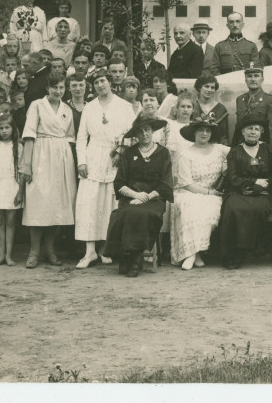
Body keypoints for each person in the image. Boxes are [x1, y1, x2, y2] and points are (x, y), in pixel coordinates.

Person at [74, 69, 136, 268]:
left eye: (103, 81)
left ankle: (105, 249)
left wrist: (120, 150)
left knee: (110, 204)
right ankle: (89, 251)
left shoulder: (125, 106)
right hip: (93, 157)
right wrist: (81, 161)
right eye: (96, 83)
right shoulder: (89, 107)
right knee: (89, 203)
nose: (100, 85)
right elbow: (82, 138)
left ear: (110, 82)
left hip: (115, 159)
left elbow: (131, 134)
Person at [103, 112, 173, 277]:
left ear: (152, 131)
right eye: (140, 131)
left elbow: (166, 183)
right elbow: (119, 182)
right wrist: (135, 195)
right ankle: (127, 256)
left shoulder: (163, 153)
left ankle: (134, 258)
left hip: (154, 199)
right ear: (136, 134)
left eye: (147, 130)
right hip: (131, 198)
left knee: (144, 213)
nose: (144, 134)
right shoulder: (129, 153)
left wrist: (146, 196)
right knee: (122, 213)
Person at [20, 71, 77, 269]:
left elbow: (70, 138)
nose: (58, 91)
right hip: (40, 155)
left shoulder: (67, 109)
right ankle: (34, 251)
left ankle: (49, 250)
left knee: (57, 205)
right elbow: (28, 135)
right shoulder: (36, 105)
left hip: (62, 157)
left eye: (62, 87)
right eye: (55, 88)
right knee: (39, 203)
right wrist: (27, 164)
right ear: (47, 88)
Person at [220, 111, 272, 269]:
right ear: (243, 131)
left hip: (263, 194)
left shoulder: (268, 150)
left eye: (257, 129)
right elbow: (232, 178)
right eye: (249, 128)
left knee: (256, 208)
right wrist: (253, 182)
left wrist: (262, 186)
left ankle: (246, 249)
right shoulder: (235, 151)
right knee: (232, 208)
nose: (253, 132)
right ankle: (232, 252)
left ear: (261, 132)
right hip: (239, 192)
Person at [171, 115, 229, 270]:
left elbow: (239, 153)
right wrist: (208, 192)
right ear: (194, 134)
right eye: (200, 131)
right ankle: (193, 254)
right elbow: (187, 184)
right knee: (191, 207)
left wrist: (227, 164)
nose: (204, 134)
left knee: (210, 209)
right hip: (189, 192)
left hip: (214, 193)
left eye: (207, 131)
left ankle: (194, 254)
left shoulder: (219, 149)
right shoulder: (186, 155)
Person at [0, 114, 24, 267]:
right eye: (1, 128)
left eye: (7, 127)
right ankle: (1, 255)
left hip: (11, 186)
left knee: (10, 222)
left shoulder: (18, 146)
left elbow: (21, 171)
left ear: (13, 129)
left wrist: (20, 192)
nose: (4, 131)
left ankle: (8, 255)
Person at [232, 62, 272, 152]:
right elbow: (238, 128)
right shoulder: (240, 100)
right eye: (249, 76)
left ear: (262, 79)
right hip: (242, 148)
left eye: (256, 76)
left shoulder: (270, 100)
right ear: (245, 79)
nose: (253, 79)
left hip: (262, 149)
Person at [192, 73, 230, 145]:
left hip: (214, 147)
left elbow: (223, 136)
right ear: (200, 87)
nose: (209, 90)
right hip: (193, 145)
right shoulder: (192, 105)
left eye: (212, 87)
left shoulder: (220, 108)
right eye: (206, 86)